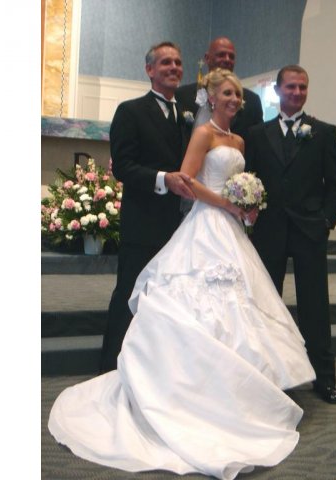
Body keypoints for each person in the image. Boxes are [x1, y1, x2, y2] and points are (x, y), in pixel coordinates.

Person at [48, 68, 316, 480]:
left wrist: (248, 205)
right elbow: (188, 181)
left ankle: (239, 393)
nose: (234, 100)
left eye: (238, 95)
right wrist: (226, 203)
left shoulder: (239, 140)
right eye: (227, 94)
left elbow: (239, 181)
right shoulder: (203, 134)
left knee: (242, 302)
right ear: (211, 97)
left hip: (232, 228)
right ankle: (190, 390)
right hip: (206, 223)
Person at [245, 65, 336, 404]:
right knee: (266, 304)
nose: (297, 92)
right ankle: (268, 373)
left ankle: (324, 378)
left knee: (315, 306)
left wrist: (325, 221)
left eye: (303, 87)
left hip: (309, 231)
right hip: (269, 231)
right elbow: (250, 179)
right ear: (278, 90)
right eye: (291, 87)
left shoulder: (324, 132)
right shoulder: (257, 134)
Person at [99, 41, 196, 373]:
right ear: (149, 70)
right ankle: (111, 368)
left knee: (168, 299)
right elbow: (124, 167)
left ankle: (154, 369)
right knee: (129, 294)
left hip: (180, 225)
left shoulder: (188, 115)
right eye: (166, 62)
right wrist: (163, 179)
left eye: (178, 62)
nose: (174, 68)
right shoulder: (130, 111)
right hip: (143, 223)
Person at [175, 36, 263, 142]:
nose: (227, 59)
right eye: (221, 55)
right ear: (207, 58)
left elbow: (258, 142)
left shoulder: (252, 101)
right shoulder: (182, 95)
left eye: (231, 57)